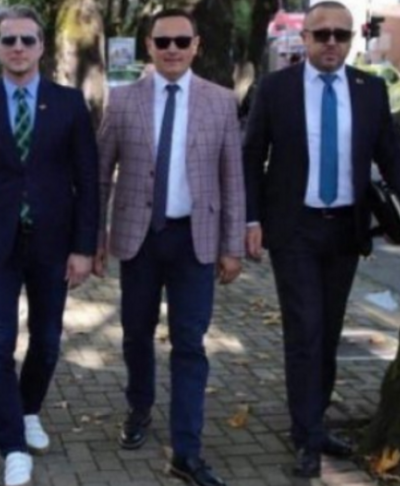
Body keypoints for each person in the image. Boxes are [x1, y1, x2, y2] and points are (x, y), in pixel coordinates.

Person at [243, 1, 400, 479]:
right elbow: (252, 155)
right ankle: (305, 436)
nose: (331, 43)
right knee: (304, 330)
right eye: (321, 34)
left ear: (350, 40)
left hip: (345, 229)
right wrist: (251, 219)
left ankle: (314, 423)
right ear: (304, 38)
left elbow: (389, 154)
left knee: (328, 331)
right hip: (293, 228)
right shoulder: (276, 88)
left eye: (341, 35)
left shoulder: (369, 90)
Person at [0, 6, 98, 486]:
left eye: (27, 40)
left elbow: (88, 182)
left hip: (53, 243)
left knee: (47, 342)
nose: (17, 48)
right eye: (8, 40)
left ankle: (27, 408)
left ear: (41, 47)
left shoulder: (69, 104)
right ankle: (12, 446)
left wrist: (84, 247)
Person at [95, 9, 245, 486]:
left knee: (189, 344)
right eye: (164, 42)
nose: (173, 49)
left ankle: (186, 450)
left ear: (197, 45)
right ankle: (139, 406)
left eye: (182, 41)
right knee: (136, 333)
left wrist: (232, 245)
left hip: (195, 241)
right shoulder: (123, 100)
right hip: (138, 238)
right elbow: (100, 176)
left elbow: (232, 179)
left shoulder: (220, 101)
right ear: (150, 46)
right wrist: (94, 239)